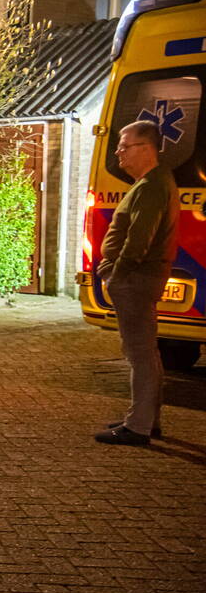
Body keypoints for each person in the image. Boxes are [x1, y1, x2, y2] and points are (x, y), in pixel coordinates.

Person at [94, 120, 180, 446]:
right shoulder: (154, 182)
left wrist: (118, 272)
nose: (118, 152)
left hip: (135, 279)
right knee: (148, 352)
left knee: (138, 354)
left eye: (124, 146)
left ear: (146, 149)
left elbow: (138, 238)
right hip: (140, 277)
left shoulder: (151, 186)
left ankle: (138, 427)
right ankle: (146, 418)